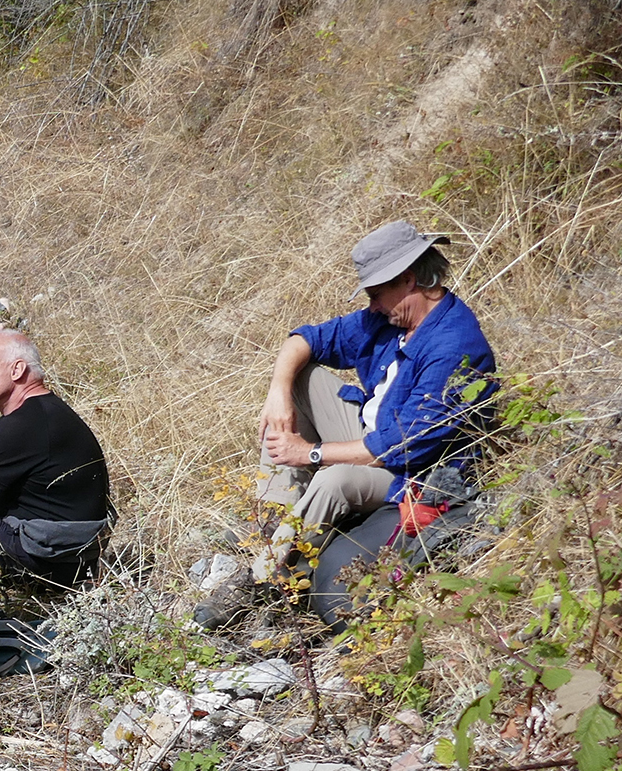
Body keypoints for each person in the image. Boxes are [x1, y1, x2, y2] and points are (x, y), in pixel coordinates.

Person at [195, 220, 500, 629]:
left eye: (376, 294)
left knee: (333, 480)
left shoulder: (453, 345)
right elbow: (306, 339)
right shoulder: (391, 320)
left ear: (408, 280)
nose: (372, 305)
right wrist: (278, 392)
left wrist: (310, 454)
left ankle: (263, 580)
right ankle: (276, 520)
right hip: (372, 435)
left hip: (413, 473)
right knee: (302, 377)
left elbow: (401, 446)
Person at [0, 329, 113, 587]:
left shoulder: (23, 425)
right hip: (69, 554)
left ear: (17, 371)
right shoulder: (41, 412)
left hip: (50, 560)